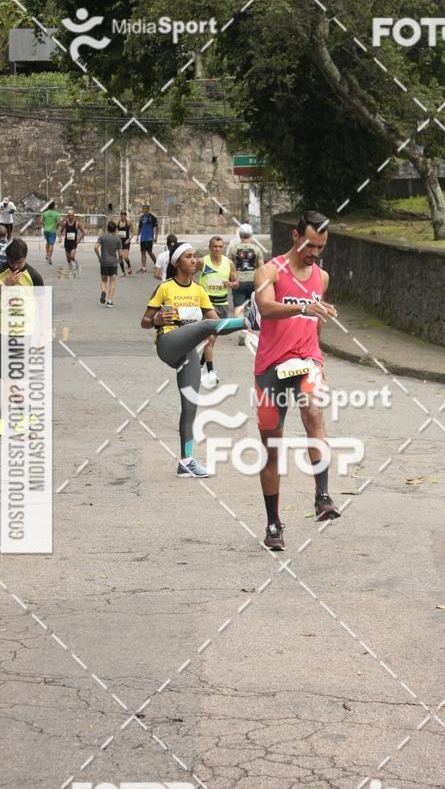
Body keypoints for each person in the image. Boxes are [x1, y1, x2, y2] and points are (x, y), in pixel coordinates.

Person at [253, 210, 340, 551]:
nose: (314, 253)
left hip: (306, 361)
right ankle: (273, 523)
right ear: (294, 236)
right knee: (271, 449)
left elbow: (316, 322)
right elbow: (265, 307)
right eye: (309, 245)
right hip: (271, 366)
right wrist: (303, 308)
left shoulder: (322, 277)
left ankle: (322, 496)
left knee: (313, 412)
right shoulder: (270, 271)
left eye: (320, 247)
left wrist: (318, 358)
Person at [140, 242, 244, 477]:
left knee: (190, 405)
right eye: (188, 256)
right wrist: (156, 320)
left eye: (195, 256)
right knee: (206, 325)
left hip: (188, 352)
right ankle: (250, 321)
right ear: (177, 262)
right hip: (168, 343)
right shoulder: (165, 288)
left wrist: (215, 332)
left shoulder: (199, 290)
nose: (194, 260)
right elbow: (144, 322)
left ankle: (186, 462)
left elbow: (216, 323)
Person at [0, 238, 44, 436]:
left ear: (25, 257)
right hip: (0, 331)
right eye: (11, 262)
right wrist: (5, 286)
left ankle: (5, 418)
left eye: (18, 263)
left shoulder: (34, 276)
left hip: (23, 332)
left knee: (12, 377)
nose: (15, 266)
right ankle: (27, 414)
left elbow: (42, 306)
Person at [196, 236, 239, 388]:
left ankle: (199, 366)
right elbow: (188, 273)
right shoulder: (202, 261)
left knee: (213, 339)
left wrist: (230, 284)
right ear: (210, 247)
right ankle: (211, 372)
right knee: (210, 338)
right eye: (215, 246)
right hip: (206, 304)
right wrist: (197, 288)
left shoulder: (229, 263)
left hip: (222, 304)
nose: (218, 249)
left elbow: (236, 282)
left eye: (220, 247)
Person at [227, 223, 264, 344]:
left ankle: (242, 333)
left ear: (240, 235)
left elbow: (229, 266)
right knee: (252, 307)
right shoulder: (257, 249)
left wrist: (231, 280)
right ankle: (250, 330)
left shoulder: (233, 249)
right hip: (253, 281)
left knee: (239, 308)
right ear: (251, 235)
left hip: (238, 281)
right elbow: (261, 268)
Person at [94, 220, 122, 307]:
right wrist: (119, 259)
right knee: (112, 281)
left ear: (107, 229)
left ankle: (103, 291)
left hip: (104, 261)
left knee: (104, 280)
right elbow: (120, 253)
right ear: (115, 229)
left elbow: (95, 247)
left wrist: (99, 257)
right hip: (113, 262)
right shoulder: (118, 239)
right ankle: (109, 301)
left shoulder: (102, 237)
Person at [58, 208, 84, 277]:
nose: (70, 217)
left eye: (71, 215)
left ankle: (77, 264)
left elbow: (83, 232)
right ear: (67, 215)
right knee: (68, 259)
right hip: (67, 243)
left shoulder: (77, 223)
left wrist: (79, 238)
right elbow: (60, 231)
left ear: (74, 215)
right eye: (69, 215)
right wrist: (60, 237)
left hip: (73, 243)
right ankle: (72, 272)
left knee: (72, 256)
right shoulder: (65, 223)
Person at [135, 203, 159, 273]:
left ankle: (157, 265)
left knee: (149, 252)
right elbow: (139, 228)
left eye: (145, 209)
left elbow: (157, 227)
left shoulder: (152, 217)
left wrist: (156, 237)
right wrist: (137, 236)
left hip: (149, 238)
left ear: (148, 209)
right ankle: (143, 268)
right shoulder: (141, 217)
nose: (144, 210)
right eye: (143, 209)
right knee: (142, 252)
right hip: (143, 238)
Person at [41, 200, 61, 264]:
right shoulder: (56, 214)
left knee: (48, 242)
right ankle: (49, 258)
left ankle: (47, 254)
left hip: (46, 230)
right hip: (52, 230)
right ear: (53, 206)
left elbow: (41, 221)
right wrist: (56, 224)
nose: (56, 206)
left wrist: (45, 224)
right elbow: (58, 222)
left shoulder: (45, 213)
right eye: (55, 205)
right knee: (51, 244)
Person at [116, 210, 134, 275]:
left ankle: (129, 266)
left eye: (124, 215)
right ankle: (123, 272)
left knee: (125, 257)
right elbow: (115, 231)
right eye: (122, 215)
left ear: (126, 216)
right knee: (120, 257)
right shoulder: (117, 223)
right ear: (120, 215)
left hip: (126, 242)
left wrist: (129, 239)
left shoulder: (128, 223)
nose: (123, 216)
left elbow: (132, 232)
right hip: (119, 242)